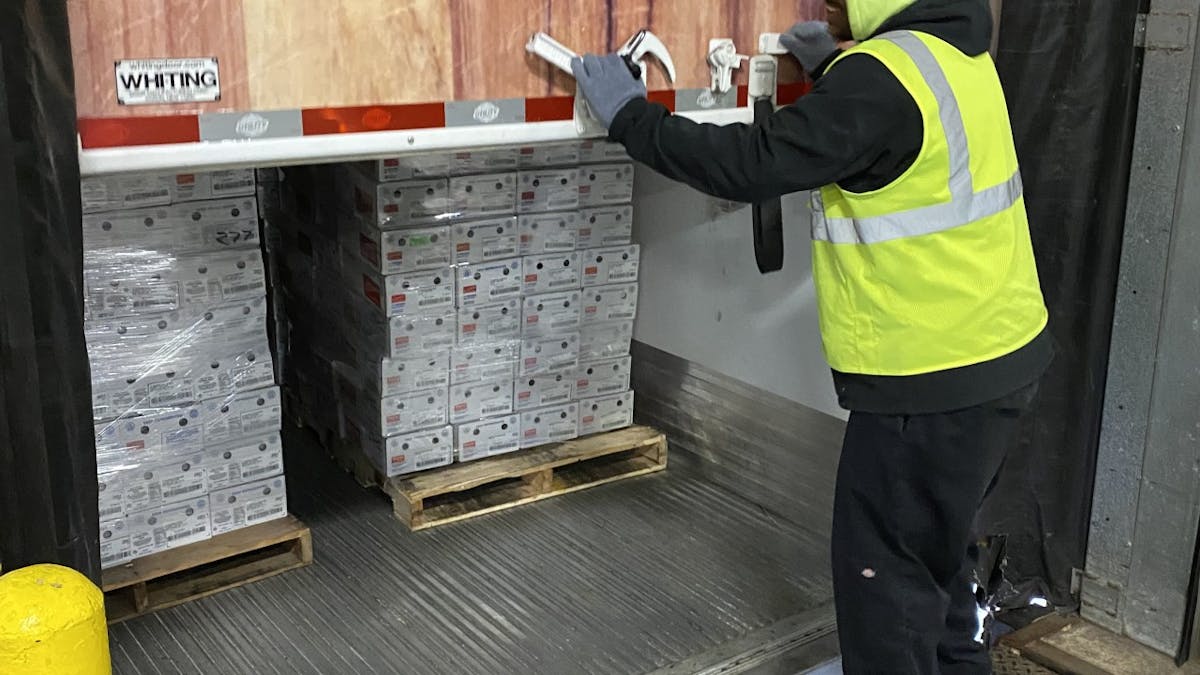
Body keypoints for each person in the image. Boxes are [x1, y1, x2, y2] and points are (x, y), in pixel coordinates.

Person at [571, 0, 1052, 673]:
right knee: (939, 567)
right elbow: (897, 139)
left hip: (928, 382)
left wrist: (631, 116)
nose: (830, 3)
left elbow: (749, 164)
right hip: (998, 360)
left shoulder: (881, 77)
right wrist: (834, 67)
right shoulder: (954, 54)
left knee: (885, 588)